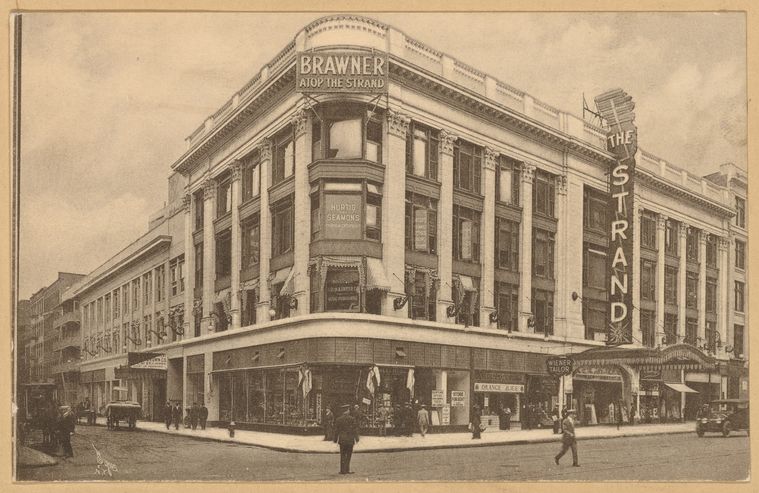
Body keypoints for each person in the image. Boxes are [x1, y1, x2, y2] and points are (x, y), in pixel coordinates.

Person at [333, 404, 359, 474]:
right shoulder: (352, 419)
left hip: (342, 440)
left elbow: (336, 430)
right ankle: (347, 469)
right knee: (348, 455)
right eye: (348, 410)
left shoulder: (338, 419)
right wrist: (357, 438)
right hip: (350, 440)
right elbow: (354, 429)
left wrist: (335, 439)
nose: (349, 411)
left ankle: (342, 470)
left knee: (342, 455)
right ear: (347, 411)